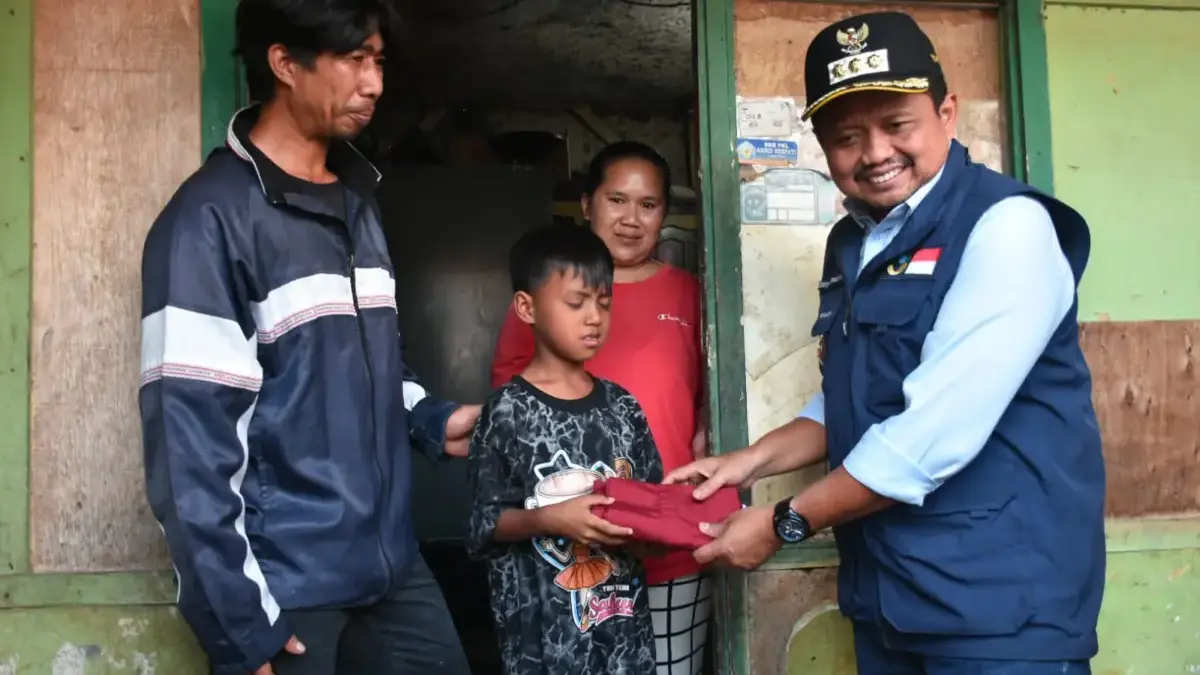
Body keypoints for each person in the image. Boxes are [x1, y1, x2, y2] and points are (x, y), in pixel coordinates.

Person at [666, 11, 1105, 674]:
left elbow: (930, 434)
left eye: (897, 125)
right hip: (892, 598)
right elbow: (856, 396)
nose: (874, 153)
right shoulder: (856, 242)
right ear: (820, 143)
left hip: (1000, 611)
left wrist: (784, 521)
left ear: (947, 113)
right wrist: (749, 462)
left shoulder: (1007, 228)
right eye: (846, 136)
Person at [137, 1, 480, 673]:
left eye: (378, 61)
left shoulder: (357, 201)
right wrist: (240, 625)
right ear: (284, 62)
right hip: (286, 586)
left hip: (389, 564)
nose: (375, 83)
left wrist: (433, 420)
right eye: (354, 60)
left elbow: (377, 366)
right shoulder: (207, 222)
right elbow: (188, 451)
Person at [490, 142, 711, 675]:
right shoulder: (544, 298)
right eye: (617, 200)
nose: (632, 220)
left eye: (648, 204)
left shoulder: (693, 294)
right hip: (571, 541)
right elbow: (509, 399)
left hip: (667, 536)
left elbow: (711, 393)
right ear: (587, 205)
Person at [467, 223, 662, 675]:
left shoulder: (623, 406)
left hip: (623, 634)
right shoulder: (507, 411)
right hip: (545, 643)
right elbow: (482, 522)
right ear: (526, 307)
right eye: (576, 303)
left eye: (604, 303)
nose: (594, 317)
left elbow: (651, 502)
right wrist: (549, 519)